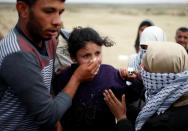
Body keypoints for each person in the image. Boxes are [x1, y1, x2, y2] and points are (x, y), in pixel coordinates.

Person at [0, 0, 99, 130]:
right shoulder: (18, 54)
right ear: (23, 9)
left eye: (60, 12)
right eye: (49, 11)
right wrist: (76, 78)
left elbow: (47, 82)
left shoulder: (48, 40)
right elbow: (47, 117)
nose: (58, 21)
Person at [53, 26, 140, 131]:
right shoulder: (63, 78)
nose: (94, 60)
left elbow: (133, 96)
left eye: (98, 53)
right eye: (86, 56)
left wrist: (131, 79)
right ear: (73, 57)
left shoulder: (110, 73)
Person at [103, 41, 188, 131]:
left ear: (158, 78)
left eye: (147, 67)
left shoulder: (161, 125)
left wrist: (121, 119)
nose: (141, 69)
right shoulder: (175, 98)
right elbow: (150, 111)